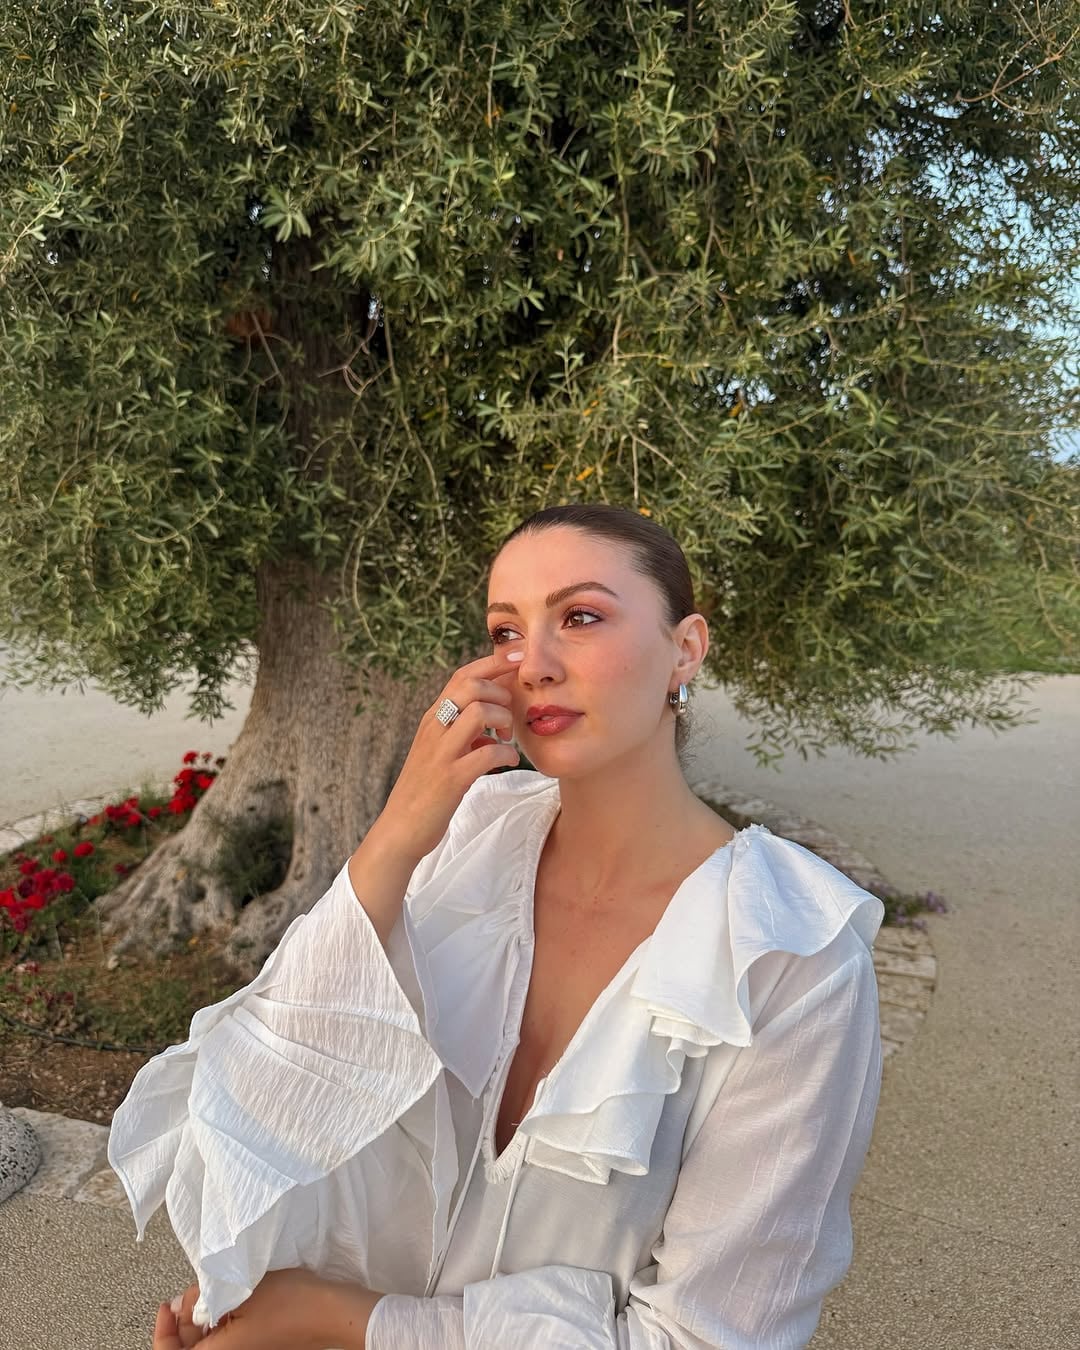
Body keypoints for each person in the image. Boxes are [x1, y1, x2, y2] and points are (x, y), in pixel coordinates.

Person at [113, 503, 884, 1350]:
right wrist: (398, 831)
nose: (534, 665)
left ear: (686, 648)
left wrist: (339, 1321)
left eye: (580, 617)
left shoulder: (791, 957)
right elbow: (268, 1094)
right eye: (506, 631)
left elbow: (705, 1338)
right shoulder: (470, 844)